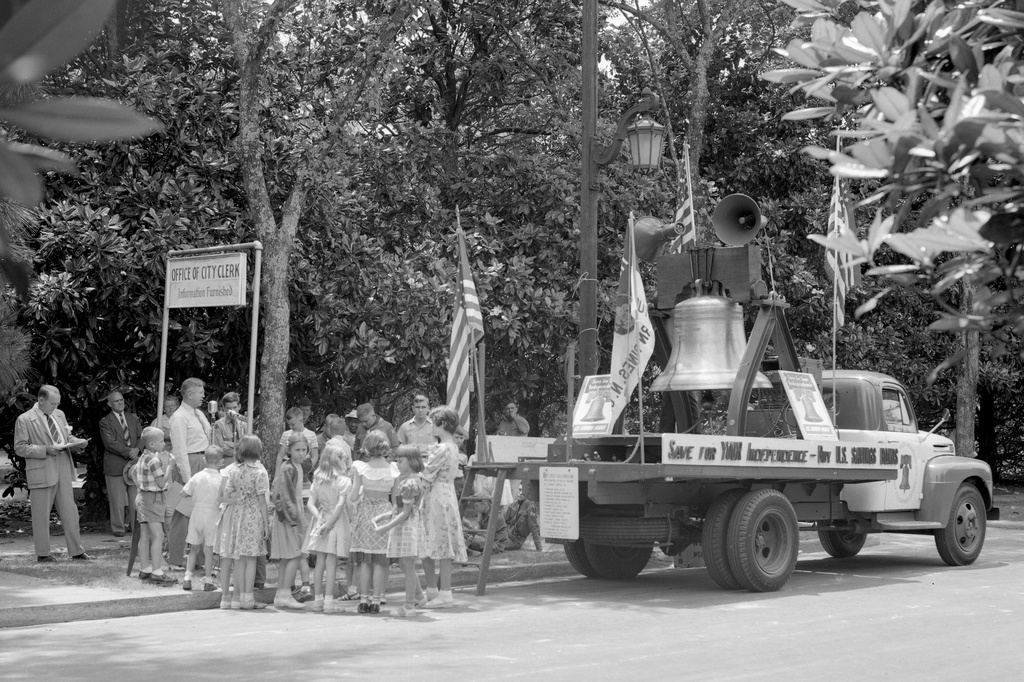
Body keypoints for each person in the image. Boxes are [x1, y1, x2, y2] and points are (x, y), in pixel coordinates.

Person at [14, 385, 92, 562]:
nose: (55, 408)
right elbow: (20, 448)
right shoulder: (24, 419)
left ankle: (77, 551)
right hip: (41, 471)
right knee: (41, 515)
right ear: (41, 400)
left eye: (57, 404)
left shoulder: (59, 414)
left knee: (70, 512)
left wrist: (77, 442)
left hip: (63, 470)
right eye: (52, 404)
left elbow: (65, 438)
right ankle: (43, 554)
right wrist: (45, 449)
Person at [419, 406, 468, 609]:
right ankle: (433, 590)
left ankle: (443, 591)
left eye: (434, 423)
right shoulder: (451, 446)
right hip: (445, 495)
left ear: (443, 425)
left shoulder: (442, 448)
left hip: (437, 495)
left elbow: (427, 474)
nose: (431, 427)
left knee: (438, 540)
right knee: (435, 540)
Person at [348, 430, 399, 614]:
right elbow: (396, 500)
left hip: (365, 512)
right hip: (384, 514)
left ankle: (363, 600)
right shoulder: (393, 469)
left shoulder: (361, 468)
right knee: (380, 560)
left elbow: (353, 495)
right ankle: (377, 600)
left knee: (365, 559)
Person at [374, 445, 427, 617]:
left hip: (408, 527)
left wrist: (386, 527)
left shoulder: (410, 483)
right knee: (405, 564)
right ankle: (419, 596)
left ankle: (409, 605)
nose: (397, 462)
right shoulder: (410, 480)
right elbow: (399, 508)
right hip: (406, 525)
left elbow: (405, 513)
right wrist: (384, 516)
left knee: (409, 566)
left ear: (411, 461)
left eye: (400, 460)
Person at [304, 441, 354, 614]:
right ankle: (328, 602)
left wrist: (320, 520)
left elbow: (310, 504)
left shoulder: (318, 479)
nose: (346, 462)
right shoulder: (344, 481)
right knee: (331, 562)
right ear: (336, 460)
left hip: (323, 517)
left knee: (320, 562)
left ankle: (318, 599)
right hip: (335, 521)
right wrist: (329, 523)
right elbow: (340, 506)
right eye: (344, 459)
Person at [167, 378, 212, 568]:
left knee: (202, 511)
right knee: (181, 512)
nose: (203, 396)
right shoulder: (179, 417)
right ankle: (176, 558)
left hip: (203, 461)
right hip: (188, 464)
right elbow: (179, 450)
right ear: (190, 394)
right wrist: (187, 479)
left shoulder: (199, 414)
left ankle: (200, 559)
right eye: (201, 392)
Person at [223, 435, 270, 610]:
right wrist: (266, 524)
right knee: (251, 559)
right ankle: (248, 598)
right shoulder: (260, 473)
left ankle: (237, 599)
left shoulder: (234, 471)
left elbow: (227, 496)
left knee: (239, 559)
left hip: (238, 515)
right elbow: (262, 500)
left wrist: (240, 499)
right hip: (253, 516)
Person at [270, 433, 310, 610]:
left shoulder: (297, 466)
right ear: (289, 450)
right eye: (297, 450)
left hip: (293, 513)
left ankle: (281, 594)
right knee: (295, 555)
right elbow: (284, 496)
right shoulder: (288, 468)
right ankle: (285, 593)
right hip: (288, 517)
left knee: (288, 557)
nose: (301, 453)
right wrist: (296, 518)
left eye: (304, 449)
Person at [133, 426, 176, 584]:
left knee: (145, 534)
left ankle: (145, 568)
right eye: (161, 441)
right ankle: (157, 571)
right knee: (159, 535)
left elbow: (133, 473)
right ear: (152, 444)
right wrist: (170, 466)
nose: (164, 443)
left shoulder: (143, 457)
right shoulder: (154, 460)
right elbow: (161, 482)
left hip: (143, 497)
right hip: (153, 499)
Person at [98, 389, 142, 537]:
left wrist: (137, 449)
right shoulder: (105, 422)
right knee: (116, 501)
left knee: (135, 499)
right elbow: (110, 443)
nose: (120, 403)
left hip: (134, 463)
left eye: (122, 400)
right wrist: (128, 452)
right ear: (110, 403)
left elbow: (141, 436)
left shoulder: (133, 418)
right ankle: (118, 529)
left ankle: (136, 528)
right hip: (115, 465)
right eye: (116, 401)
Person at [180, 445, 224, 592]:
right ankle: (208, 580)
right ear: (221, 462)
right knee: (209, 549)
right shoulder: (221, 479)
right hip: (212, 514)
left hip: (196, 513)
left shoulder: (197, 476)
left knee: (193, 547)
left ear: (204, 460)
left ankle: (187, 577)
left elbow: (183, 493)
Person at [276, 406, 319, 476]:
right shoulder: (285, 434)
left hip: (304, 467)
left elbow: (315, 456)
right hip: (287, 470)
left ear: (300, 420)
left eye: (293, 424)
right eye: (289, 424)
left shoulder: (311, 435)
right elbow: (280, 455)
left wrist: (307, 469)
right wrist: (277, 474)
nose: (290, 427)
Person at [211, 392, 248, 464]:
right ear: (224, 408)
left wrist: (229, 444)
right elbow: (220, 448)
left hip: (242, 465)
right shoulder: (218, 425)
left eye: (234, 407)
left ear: (239, 406)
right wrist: (239, 447)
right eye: (229, 408)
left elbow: (248, 446)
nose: (232, 411)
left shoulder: (244, 424)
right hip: (226, 464)